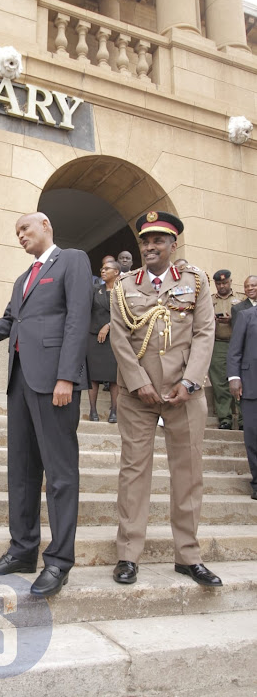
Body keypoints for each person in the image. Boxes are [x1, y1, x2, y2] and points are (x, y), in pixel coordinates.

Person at [0, 212, 92, 597]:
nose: (20, 236)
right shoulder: (23, 280)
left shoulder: (72, 259)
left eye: (25, 229)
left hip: (54, 381)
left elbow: (77, 318)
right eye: (16, 232)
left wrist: (67, 375)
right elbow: (8, 323)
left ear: (46, 225)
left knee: (60, 473)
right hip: (19, 381)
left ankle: (59, 561)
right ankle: (22, 550)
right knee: (20, 470)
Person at [110, 210, 222, 588]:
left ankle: (188, 556)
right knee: (134, 473)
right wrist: (138, 381)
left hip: (184, 394)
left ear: (173, 245)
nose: (150, 246)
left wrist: (191, 383)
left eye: (159, 240)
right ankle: (128, 554)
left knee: (188, 475)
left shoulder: (196, 281)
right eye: (145, 240)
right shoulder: (124, 285)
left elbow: (206, 333)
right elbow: (120, 339)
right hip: (136, 395)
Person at [228, 305, 257, 500]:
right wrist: (234, 377)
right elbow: (235, 350)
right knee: (253, 436)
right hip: (251, 385)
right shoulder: (247, 316)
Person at [209, 270, 245, 430]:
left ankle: (245, 419)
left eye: (224, 283)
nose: (222, 286)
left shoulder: (241, 299)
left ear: (230, 282)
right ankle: (225, 419)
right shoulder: (210, 300)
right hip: (218, 344)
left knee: (242, 380)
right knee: (219, 382)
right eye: (218, 284)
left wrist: (233, 318)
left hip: (238, 344)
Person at [87, 260, 120, 423]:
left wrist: (109, 326)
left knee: (114, 376)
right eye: (102, 268)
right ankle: (93, 411)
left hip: (114, 339)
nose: (103, 271)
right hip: (93, 338)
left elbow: (126, 316)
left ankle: (114, 411)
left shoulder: (123, 292)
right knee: (93, 376)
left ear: (116, 272)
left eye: (107, 269)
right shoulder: (95, 290)